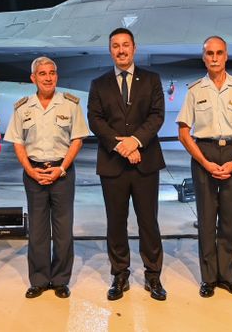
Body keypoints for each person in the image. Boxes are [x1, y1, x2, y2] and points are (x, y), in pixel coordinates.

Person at [87, 27, 167, 301]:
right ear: (110, 50)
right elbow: (95, 120)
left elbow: (157, 116)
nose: (121, 50)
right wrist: (121, 145)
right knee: (116, 223)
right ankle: (120, 275)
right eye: (115, 46)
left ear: (134, 48)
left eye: (125, 45)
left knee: (149, 222)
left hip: (145, 162)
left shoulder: (152, 79)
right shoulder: (99, 84)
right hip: (113, 164)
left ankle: (153, 275)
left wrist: (135, 141)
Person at [177, 36, 232, 298]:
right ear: (203, 57)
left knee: (229, 218)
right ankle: (209, 277)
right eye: (209, 53)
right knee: (206, 218)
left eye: (219, 53)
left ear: (226, 56)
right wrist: (204, 161)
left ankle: (227, 276)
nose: (214, 58)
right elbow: (184, 132)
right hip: (205, 152)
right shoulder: (195, 90)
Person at [5, 56, 88, 299]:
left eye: (52, 73)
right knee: (38, 231)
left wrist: (61, 168)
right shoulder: (22, 107)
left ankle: (61, 280)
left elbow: (77, 140)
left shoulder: (70, 104)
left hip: (62, 173)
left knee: (63, 231)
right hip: (34, 173)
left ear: (57, 76)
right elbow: (18, 142)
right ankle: (39, 280)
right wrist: (30, 170)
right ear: (33, 78)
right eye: (42, 74)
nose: (48, 77)